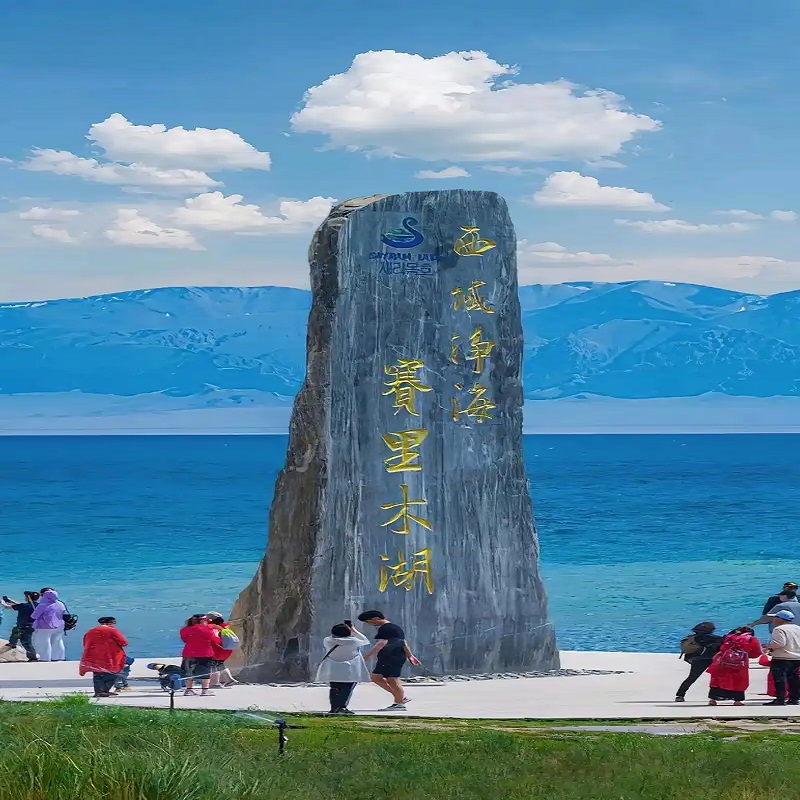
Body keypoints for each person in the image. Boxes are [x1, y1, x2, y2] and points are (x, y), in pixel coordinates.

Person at [357, 610, 420, 712]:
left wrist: (366, 656)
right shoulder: (395, 628)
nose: (369, 624)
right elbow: (403, 642)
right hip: (394, 656)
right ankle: (400, 697)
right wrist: (410, 655)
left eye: (368, 622)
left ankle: (399, 703)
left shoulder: (385, 628)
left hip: (391, 656)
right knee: (376, 677)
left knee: (392, 679)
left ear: (375, 619)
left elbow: (381, 643)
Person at [315, 621, 371, 715]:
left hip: (333, 669)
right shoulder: (354, 641)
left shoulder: (327, 640)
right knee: (347, 689)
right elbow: (365, 640)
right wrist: (354, 630)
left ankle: (334, 708)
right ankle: (342, 707)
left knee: (334, 688)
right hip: (349, 670)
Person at [706, 626, 763, 706]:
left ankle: (713, 699)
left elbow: (718, 647)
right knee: (738, 681)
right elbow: (756, 653)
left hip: (722, 661)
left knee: (717, 680)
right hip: (739, 662)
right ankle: (737, 700)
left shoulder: (727, 637)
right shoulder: (751, 639)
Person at [79, 617, 129, 698]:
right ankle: (103, 690)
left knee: (97, 673)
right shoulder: (112, 630)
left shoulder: (90, 631)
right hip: (108, 656)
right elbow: (124, 642)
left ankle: (99, 691)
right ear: (111, 623)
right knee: (112, 673)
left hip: (92, 656)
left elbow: (85, 643)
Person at [675, 621, 723, 702]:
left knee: (691, 678)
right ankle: (715, 695)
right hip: (711, 660)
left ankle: (680, 695)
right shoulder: (716, 638)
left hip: (697, 660)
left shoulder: (692, 638)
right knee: (717, 678)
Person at [762, 609, 800, 706]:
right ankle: (794, 699)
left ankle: (780, 699)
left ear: (780, 619)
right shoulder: (797, 628)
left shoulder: (779, 629)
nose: (773, 620)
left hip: (782, 658)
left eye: (775, 617)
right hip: (796, 658)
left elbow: (780, 643)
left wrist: (767, 646)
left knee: (780, 680)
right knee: (794, 679)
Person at [180, 614, 221, 697]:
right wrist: (216, 633)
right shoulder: (208, 629)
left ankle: (188, 690)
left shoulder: (185, 629)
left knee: (189, 671)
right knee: (205, 672)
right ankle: (204, 691)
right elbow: (216, 640)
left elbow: (184, 640)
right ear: (203, 620)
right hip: (205, 653)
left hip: (189, 652)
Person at [1, 591, 40, 661]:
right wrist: (9, 600)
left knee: (24, 640)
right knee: (26, 641)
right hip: (31, 626)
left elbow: (6, 607)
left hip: (22, 626)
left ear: (28, 597)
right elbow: (19, 604)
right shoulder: (38, 606)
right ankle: (32, 656)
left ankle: (12, 644)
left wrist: (1, 601)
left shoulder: (23, 606)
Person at [31, 589, 67, 662]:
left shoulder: (43, 605)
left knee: (43, 643)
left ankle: (44, 658)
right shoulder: (60, 604)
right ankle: (58, 657)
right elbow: (64, 613)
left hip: (44, 627)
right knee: (58, 641)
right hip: (59, 626)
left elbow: (34, 616)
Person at [206, 612, 237, 688]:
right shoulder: (224, 626)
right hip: (227, 649)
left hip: (218, 649)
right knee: (220, 664)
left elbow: (213, 639)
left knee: (213, 665)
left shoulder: (213, 627)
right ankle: (230, 680)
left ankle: (215, 683)